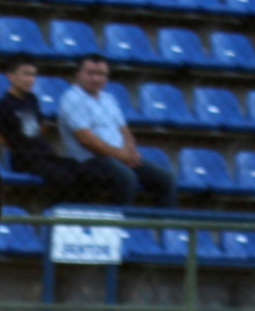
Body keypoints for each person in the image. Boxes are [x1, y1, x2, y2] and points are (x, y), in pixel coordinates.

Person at [57, 55, 175, 208]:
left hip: (120, 157)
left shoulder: (108, 99)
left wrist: (130, 151)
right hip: (90, 160)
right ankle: (120, 226)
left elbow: (123, 129)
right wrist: (121, 155)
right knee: (126, 178)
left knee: (165, 179)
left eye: (102, 74)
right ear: (77, 74)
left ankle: (166, 228)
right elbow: (86, 139)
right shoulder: (71, 99)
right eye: (90, 73)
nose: (97, 79)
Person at [0, 60, 83, 204]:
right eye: (26, 74)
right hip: (25, 158)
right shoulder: (4, 104)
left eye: (33, 75)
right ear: (11, 76)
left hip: (43, 154)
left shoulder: (31, 99)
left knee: (79, 169)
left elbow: (39, 127)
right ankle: (58, 211)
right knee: (63, 177)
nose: (30, 79)